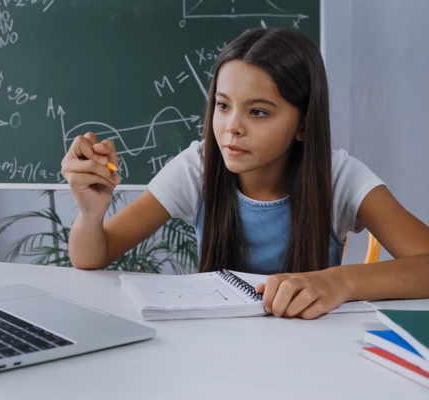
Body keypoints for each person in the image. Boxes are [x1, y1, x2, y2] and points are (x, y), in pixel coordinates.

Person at [60, 28, 429, 319]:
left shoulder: (340, 177)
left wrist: (339, 282)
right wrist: (91, 214)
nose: (231, 127)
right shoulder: (198, 167)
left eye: (258, 112)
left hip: (312, 354)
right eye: (223, 106)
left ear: (303, 124)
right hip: (215, 351)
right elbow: (92, 257)